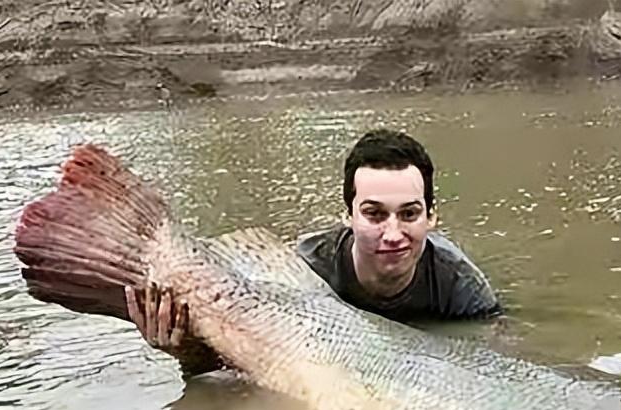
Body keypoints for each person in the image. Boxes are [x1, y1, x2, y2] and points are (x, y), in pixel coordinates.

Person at [125, 129, 502, 375]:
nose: (393, 234)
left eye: (409, 214)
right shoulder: (304, 270)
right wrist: (186, 352)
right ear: (347, 215)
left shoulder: (463, 288)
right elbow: (240, 367)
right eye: (374, 214)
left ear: (432, 216)